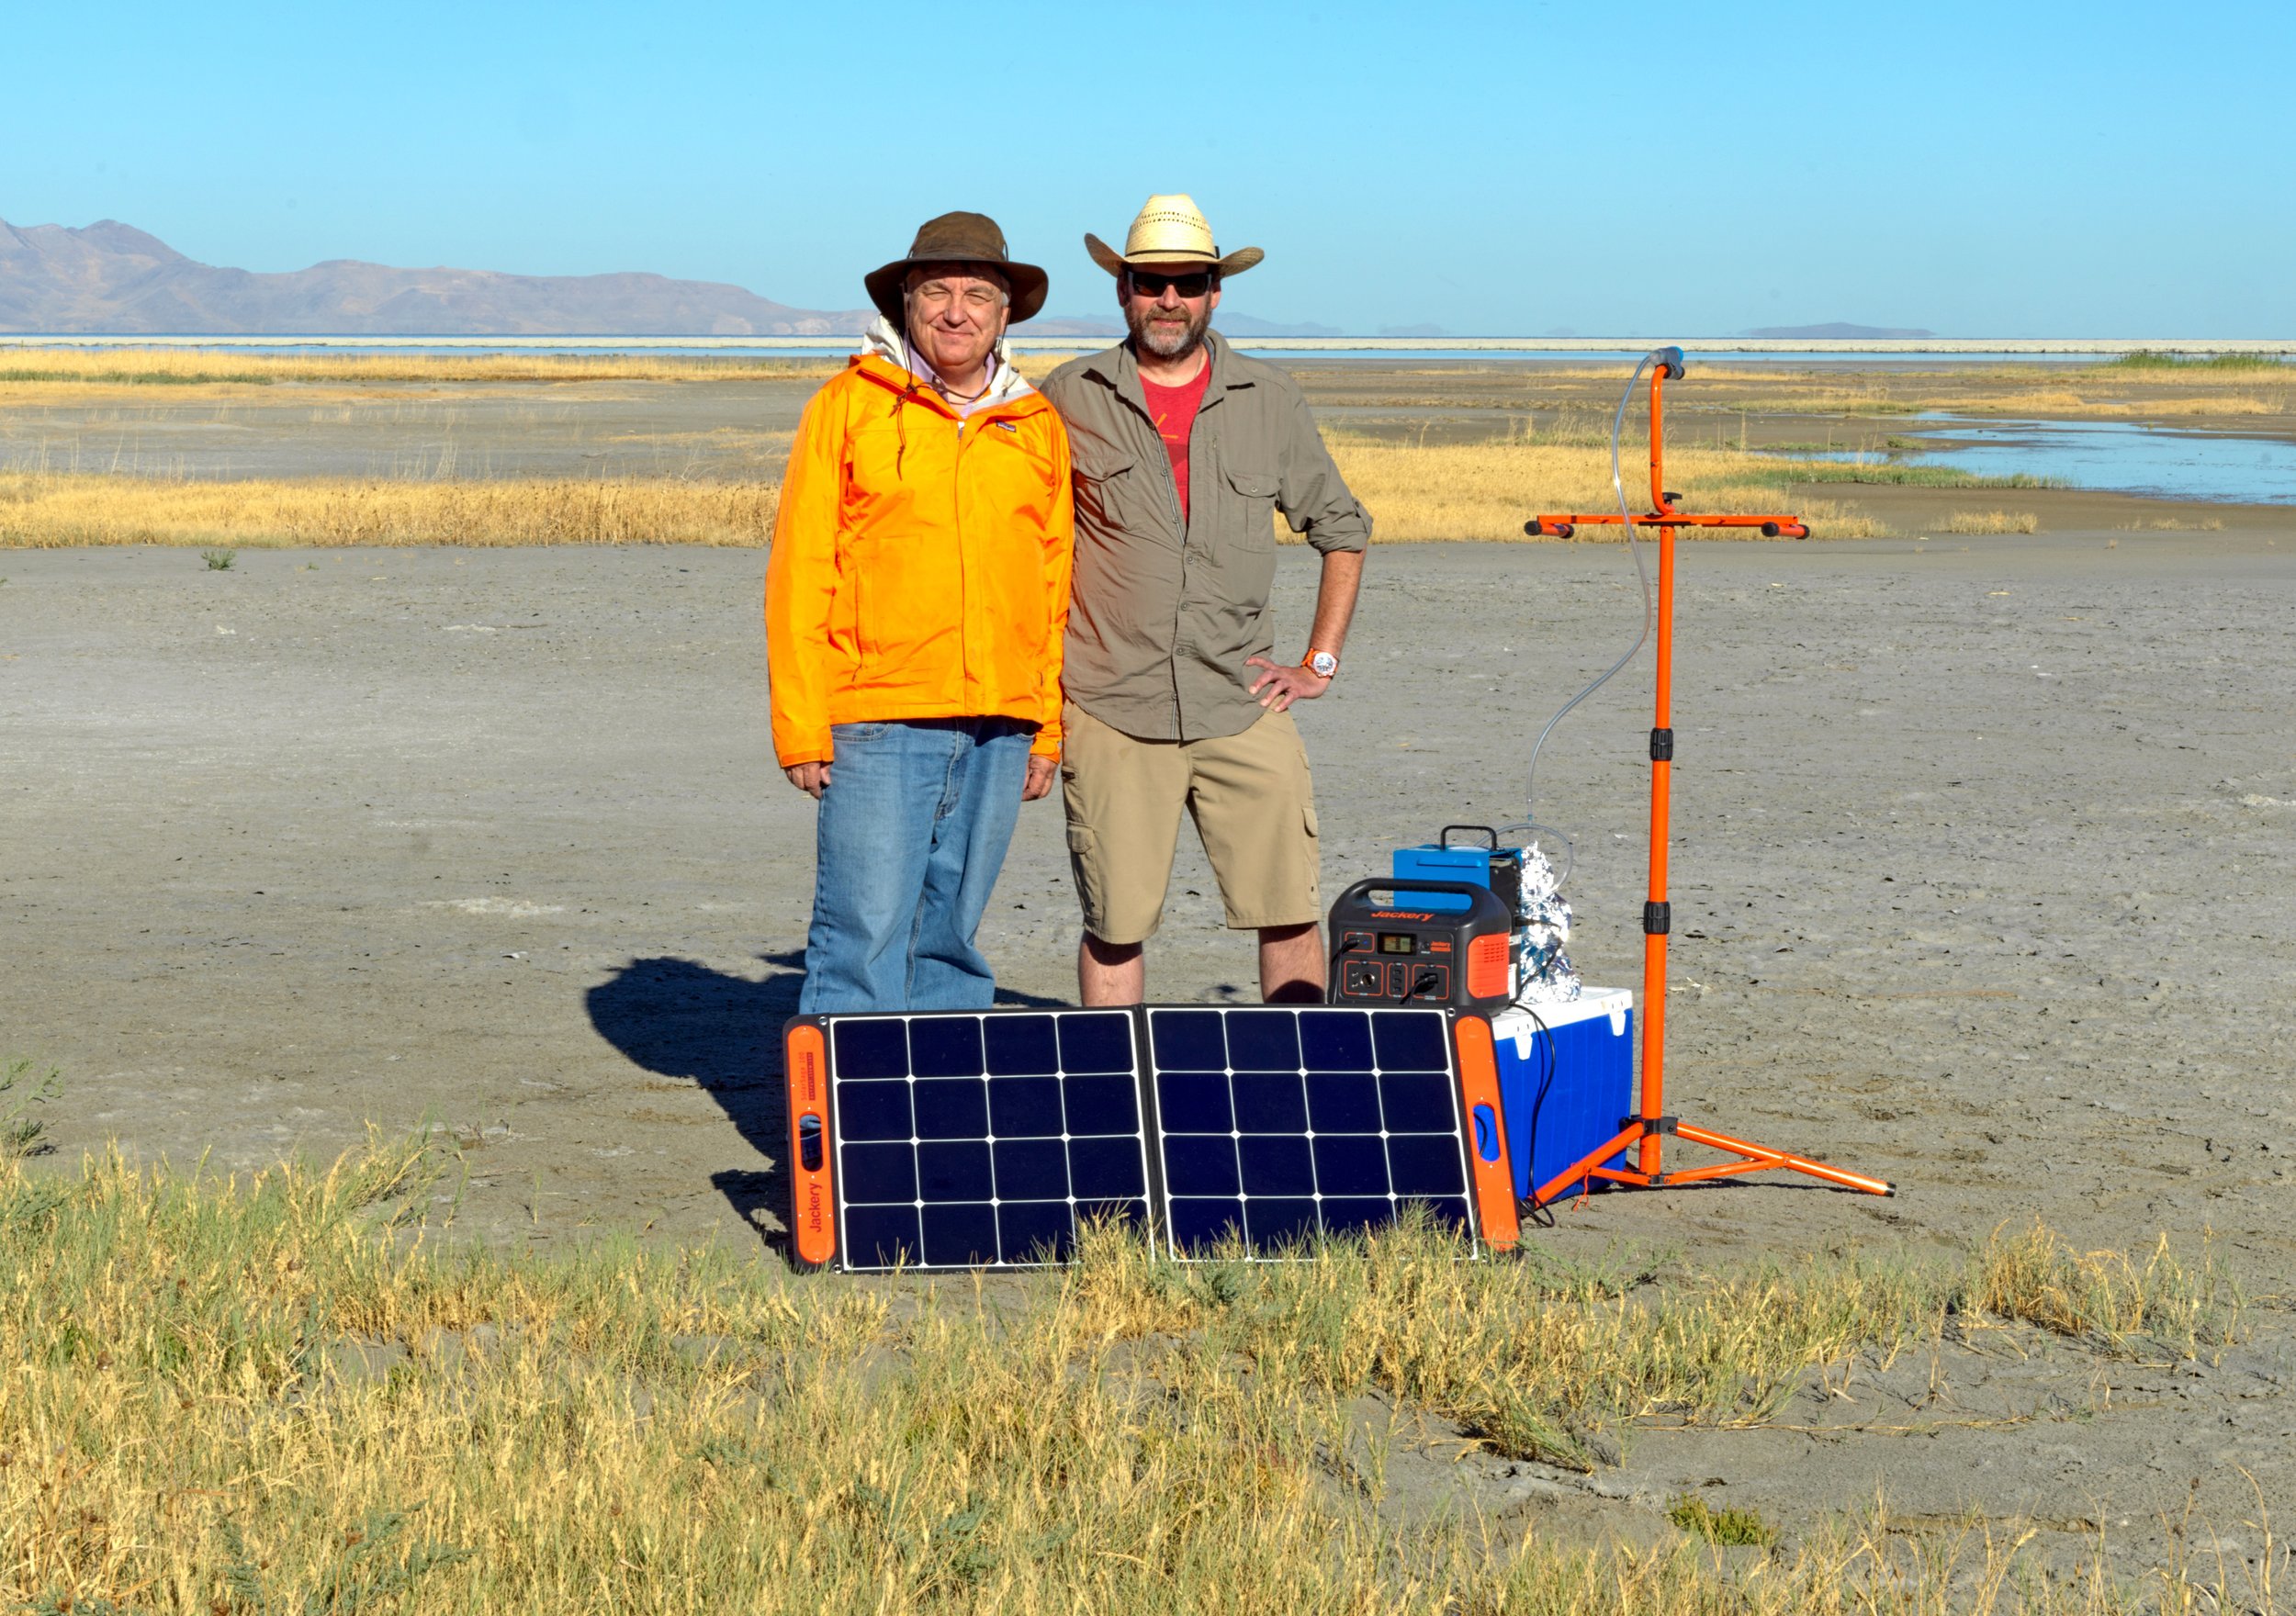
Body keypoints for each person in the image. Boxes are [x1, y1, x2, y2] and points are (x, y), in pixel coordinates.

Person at [1041, 195, 1368, 1006]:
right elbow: (1026, 545)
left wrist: (1318, 661)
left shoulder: (1269, 396)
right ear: (1123, 289)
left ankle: (1295, 1090)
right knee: (1115, 922)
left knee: (1288, 913)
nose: (1169, 299)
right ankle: (1121, 1100)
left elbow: (1343, 528)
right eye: (1151, 282)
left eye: (1188, 282)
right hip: (1111, 704)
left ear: (1215, 290)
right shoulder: (1068, 395)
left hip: (1242, 702)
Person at [765, 212, 1073, 1013]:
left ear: (1007, 313)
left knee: (951, 942)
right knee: (859, 939)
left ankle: (934, 1129)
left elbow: (1050, 585)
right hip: (878, 718)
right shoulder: (847, 406)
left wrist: (1045, 725)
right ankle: (848, 1133)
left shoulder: (1035, 424)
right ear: (906, 303)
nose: (956, 311)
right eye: (936, 291)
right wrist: (802, 723)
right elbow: (801, 569)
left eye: (978, 294)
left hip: (1001, 725)